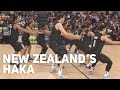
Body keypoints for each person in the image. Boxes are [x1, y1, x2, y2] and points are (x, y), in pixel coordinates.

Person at [49, 13, 80, 79]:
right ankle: (59, 73)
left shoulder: (56, 24)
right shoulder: (59, 24)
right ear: (61, 18)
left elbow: (64, 35)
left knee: (58, 54)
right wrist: (75, 36)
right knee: (64, 54)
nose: (64, 19)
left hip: (53, 43)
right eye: (64, 18)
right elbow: (65, 33)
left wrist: (74, 37)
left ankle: (53, 67)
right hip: (55, 43)